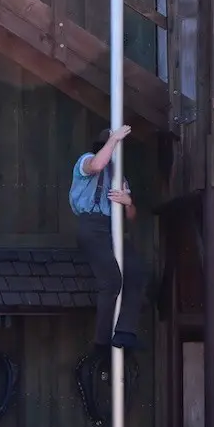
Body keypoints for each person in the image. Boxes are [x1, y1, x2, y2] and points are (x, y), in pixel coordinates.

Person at [69, 125, 147, 357]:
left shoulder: (119, 176)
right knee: (111, 280)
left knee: (136, 271)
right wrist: (114, 139)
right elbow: (97, 165)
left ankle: (125, 331)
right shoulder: (86, 161)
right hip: (92, 226)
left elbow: (131, 216)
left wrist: (128, 202)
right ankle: (101, 341)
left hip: (113, 228)